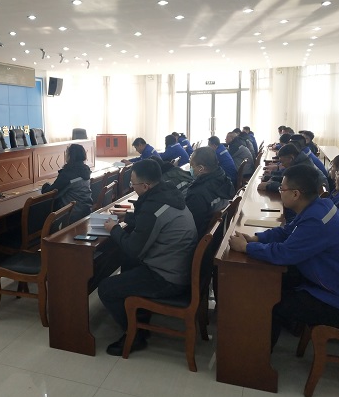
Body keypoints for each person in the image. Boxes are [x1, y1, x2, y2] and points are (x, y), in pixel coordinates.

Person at [229, 164, 339, 349]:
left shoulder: (317, 219)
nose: (280, 192)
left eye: (282, 188)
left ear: (295, 194)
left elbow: (285, 253)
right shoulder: (319, 205)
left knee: (271, 303)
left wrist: (247, 248)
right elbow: (287, 232)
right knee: (270, 283)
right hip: (337, 285)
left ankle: (255, 359)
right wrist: (256, 238)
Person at [98, 159, 198, 355]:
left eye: (132, 183)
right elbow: (152, 220)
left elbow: (133, 248)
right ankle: (138, 315)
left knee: (106, 288)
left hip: (167, 277)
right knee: (127, 262)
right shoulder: (166, 192)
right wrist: (127, 217)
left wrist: (114, 229)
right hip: (175, 264)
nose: (131, 187)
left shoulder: (154, 207)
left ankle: (136, 334)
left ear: (145, 186)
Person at [186, 147, 235, 238]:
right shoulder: (224, 178)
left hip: (200, 236)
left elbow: (191, 225)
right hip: (219, 232)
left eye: (192, 165)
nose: (190, 168)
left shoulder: (197, 193)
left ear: (201, 168)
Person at [41, 144, 93, 223]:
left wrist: (45, 185)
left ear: (70, 156)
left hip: (71, 214)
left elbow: (50, 192)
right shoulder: (86, 169)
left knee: (42, 208)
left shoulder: (68, 174)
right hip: (86, 210)